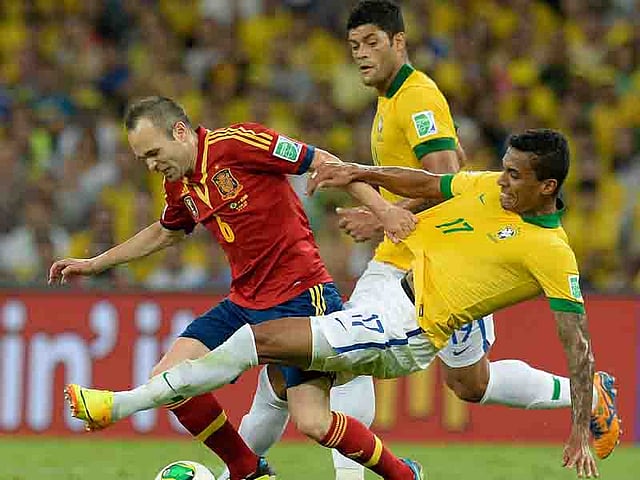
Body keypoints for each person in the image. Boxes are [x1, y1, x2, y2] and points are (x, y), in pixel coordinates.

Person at [66, 130, 619, 479]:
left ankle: (121, 405)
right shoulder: (487, 187)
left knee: (264, 349)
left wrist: (577, 422)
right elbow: (427, 184)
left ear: (547, 187)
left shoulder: (551, 251)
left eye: (516, 176)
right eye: (504, 168)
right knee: (304, 405)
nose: (503, 180)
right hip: (386, 290)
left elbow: (576, 336)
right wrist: (362, 176)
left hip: (407, 330)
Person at [50, 96, 422, 480]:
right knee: (168, 378)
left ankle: (403, 475)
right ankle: (246, 467)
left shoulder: (240, 144)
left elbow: (324, 161)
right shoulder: (179, 185)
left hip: (301, 297)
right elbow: (165, 231)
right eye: (143, 158)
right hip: (244, 302)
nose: (151, 165)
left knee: (313, 421)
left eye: (154, 152)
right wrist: (95, 263)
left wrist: (384, 211)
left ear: (180, 132)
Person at [339, 0, 620, 461]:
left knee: (349, 353)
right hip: (433, 252)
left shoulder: (416, 97)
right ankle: (586, 392)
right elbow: (460, 163)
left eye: (371, 42)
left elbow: (443, 173)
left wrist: (384, 214)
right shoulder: (393, 98)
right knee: (471, 383)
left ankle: (351, 472)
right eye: (354, 46)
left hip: (427, 256)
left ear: (399, 42)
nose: (361, 54)